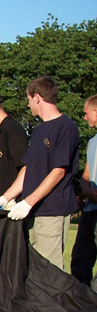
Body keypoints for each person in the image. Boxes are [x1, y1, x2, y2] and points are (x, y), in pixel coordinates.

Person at [0, 76, 79, 270]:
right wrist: (4, 198)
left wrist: (28, 202)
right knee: (31, 270)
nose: (28, 105)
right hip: (33, 212)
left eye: (28, 99)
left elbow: (58, 172)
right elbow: (27, 170)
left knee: (49, 272)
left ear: (37, 97)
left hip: (51, 211)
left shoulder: (66, 127)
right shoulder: (38, 131)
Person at [69, 94, 97, 290]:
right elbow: (86, 173)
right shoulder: (93, 141)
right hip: (90, 209)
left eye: (87, 113)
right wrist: (87, 189)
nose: (85, 118)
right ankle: (81, 299)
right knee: (80, 257)